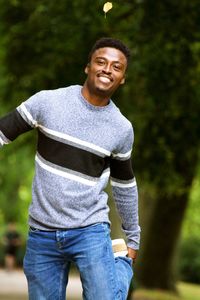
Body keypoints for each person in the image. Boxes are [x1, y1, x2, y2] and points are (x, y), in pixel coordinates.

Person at [0, 37, 140, 300]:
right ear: (88, 67)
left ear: (122, 78)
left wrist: (133, 238)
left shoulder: (121, 129)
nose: (107, 69)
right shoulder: (47, 102)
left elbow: (124, 186)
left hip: (90, 229)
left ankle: (119, 264)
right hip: (42, 232)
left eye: (116, 67)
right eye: (101, 62)